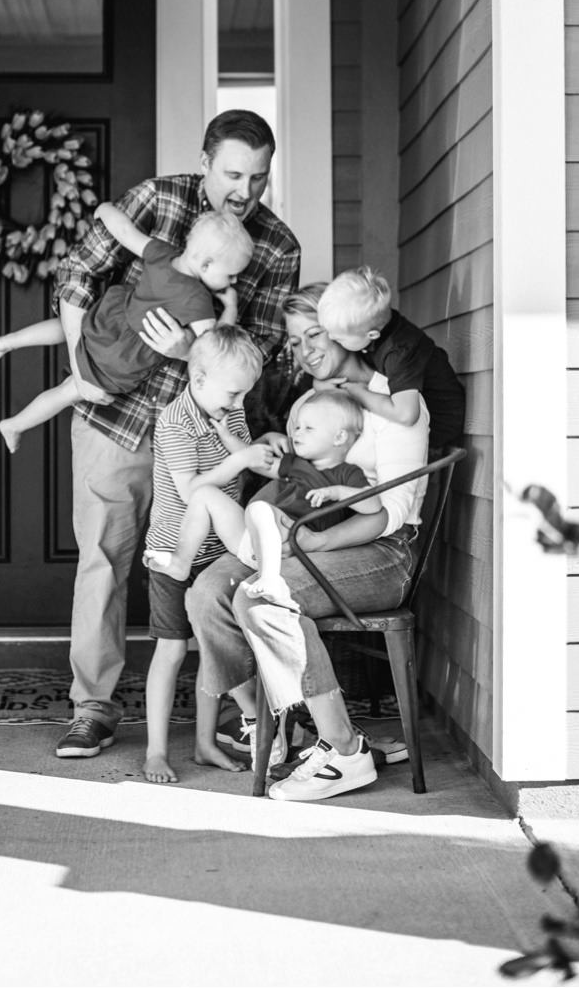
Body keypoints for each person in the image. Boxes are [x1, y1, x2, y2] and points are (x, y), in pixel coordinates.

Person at [50, 110, 301, 760]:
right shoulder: (156, 200)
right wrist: (83, 363)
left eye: (258, 176)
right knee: (103, 558)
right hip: (118, 418)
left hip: (208, 443)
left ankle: (221, 705)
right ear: (204, 161)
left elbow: (267, 353)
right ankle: (93, 706)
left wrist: (196, 346)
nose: (244, 189)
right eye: (232, 173)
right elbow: (77, 271)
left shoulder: (276, 247)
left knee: (208, 570)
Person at [186, 282, 432, 802]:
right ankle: (276, 726)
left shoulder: (391, 403)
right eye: (295, 341)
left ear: (348, 336)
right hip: (303, 535)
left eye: (314, 334)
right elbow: (297, 477)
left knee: (263, 598)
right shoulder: (310, 400)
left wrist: (311, 547)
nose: (305, 350)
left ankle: (344, 751)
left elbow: (390, 515)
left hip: (381, 551)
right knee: (206, 593)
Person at [0, 204, 253, 453]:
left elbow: (126, 231)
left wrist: (105, 210)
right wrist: (230, 309)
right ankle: (14, 425)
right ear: (206, 265)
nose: (234, 280)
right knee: (67, 391)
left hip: (108, 321)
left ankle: (8, 341)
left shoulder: (163, 253)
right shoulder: (198, 299)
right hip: (121, 357)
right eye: (231, 275)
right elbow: (213, 348)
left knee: (70, 328)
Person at [142, 326, 275, 784]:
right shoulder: (176, 421)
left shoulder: (228, 410)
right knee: (172, 648)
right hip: (173, 547)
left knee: (213, 646)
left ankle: (204, 743)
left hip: (218, 552)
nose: (239, 405)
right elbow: (192, 490)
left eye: (245, 396)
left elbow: (241, 448)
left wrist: (249, 449)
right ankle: (156, 751)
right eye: (234, 394)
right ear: (198, 379)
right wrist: (239, 462)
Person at [144, 389, 378, 607]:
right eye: (297, 427)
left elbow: (373, 505)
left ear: (339, 437)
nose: (297, 432)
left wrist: (337, 492)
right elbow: (257, 462)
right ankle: (181, 561)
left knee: (260, 509)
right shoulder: (295, 464)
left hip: (291, 543)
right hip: (251, 540)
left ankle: (270, 580)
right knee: (204, 494)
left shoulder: (348, 473)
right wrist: (226, 436)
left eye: (309, 428)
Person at [317, 266, 465, 451]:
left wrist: (358, 393)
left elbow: (406, 414)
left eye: (339, 338)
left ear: (371, 335)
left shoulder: (399, 351)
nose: (331, 339)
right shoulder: (376, 325)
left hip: (434, 435)